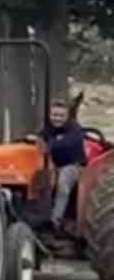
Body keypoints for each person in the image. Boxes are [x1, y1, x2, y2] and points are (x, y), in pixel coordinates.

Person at [43, 99, 86, 231]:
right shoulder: (49, 128)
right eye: (54, 115)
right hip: (56, 165)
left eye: (61, 116)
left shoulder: (74, 130)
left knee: (63, 182)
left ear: (67, 117)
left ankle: (55, 221)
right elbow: (40, 137)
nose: (57, 119)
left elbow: (65, 143)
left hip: (73, 166)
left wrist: (48, 146)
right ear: (50, 115)